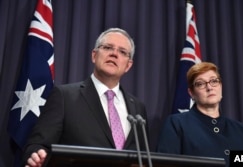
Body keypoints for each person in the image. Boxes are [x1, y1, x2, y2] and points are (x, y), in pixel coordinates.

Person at [22, 28, 149, 167]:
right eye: (108, 47)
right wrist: (37, 155)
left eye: (123, 52)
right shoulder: (64, 97)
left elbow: (143, 156)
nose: (114, 54)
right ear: (94, 55)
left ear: (128, 66)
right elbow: (37, 145)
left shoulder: (138, 108)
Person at [157, 62, 243, 166]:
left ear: (221, 86)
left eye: (214, 81)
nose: (209, 87)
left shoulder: (241, 130)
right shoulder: (177, 124)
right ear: (191, 93)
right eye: (200, 84)